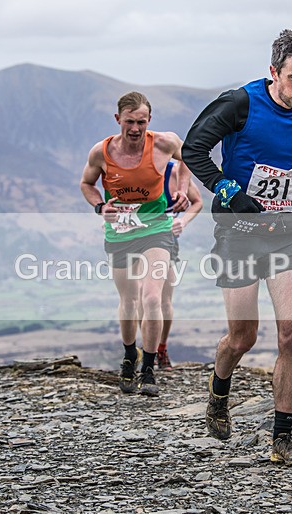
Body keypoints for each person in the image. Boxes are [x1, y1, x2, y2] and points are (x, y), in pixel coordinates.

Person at [182, 29, 292, 465]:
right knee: (243, 337)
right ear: (273, 72)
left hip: (289, 230)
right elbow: (194, 149)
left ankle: (282, 440)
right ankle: (219, 391)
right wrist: (228, 190)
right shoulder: (240, 103)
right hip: (239, 232)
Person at [80, 91, 190, 396]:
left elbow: (189, 158)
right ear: (118, 119)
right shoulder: (101, 152)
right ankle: (130, 356)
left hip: (156, 229)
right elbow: (86, 183)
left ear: (149, 120)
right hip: (120, 233)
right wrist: (100, 206)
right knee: (128, 301)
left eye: (141, 122)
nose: (135, 128)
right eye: (129, 122)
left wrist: (182, 189)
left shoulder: (165, 143)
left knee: (152, 298)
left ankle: (149, 369)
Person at [154, 160, 205, 370]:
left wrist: (182, 221)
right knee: (141, 298)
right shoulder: (129, 166)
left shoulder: (173, 172)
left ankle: (161, 348)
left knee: (164, 300)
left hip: (166, 240)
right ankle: (146, 349)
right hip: (134, 239)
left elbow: (197, 201)